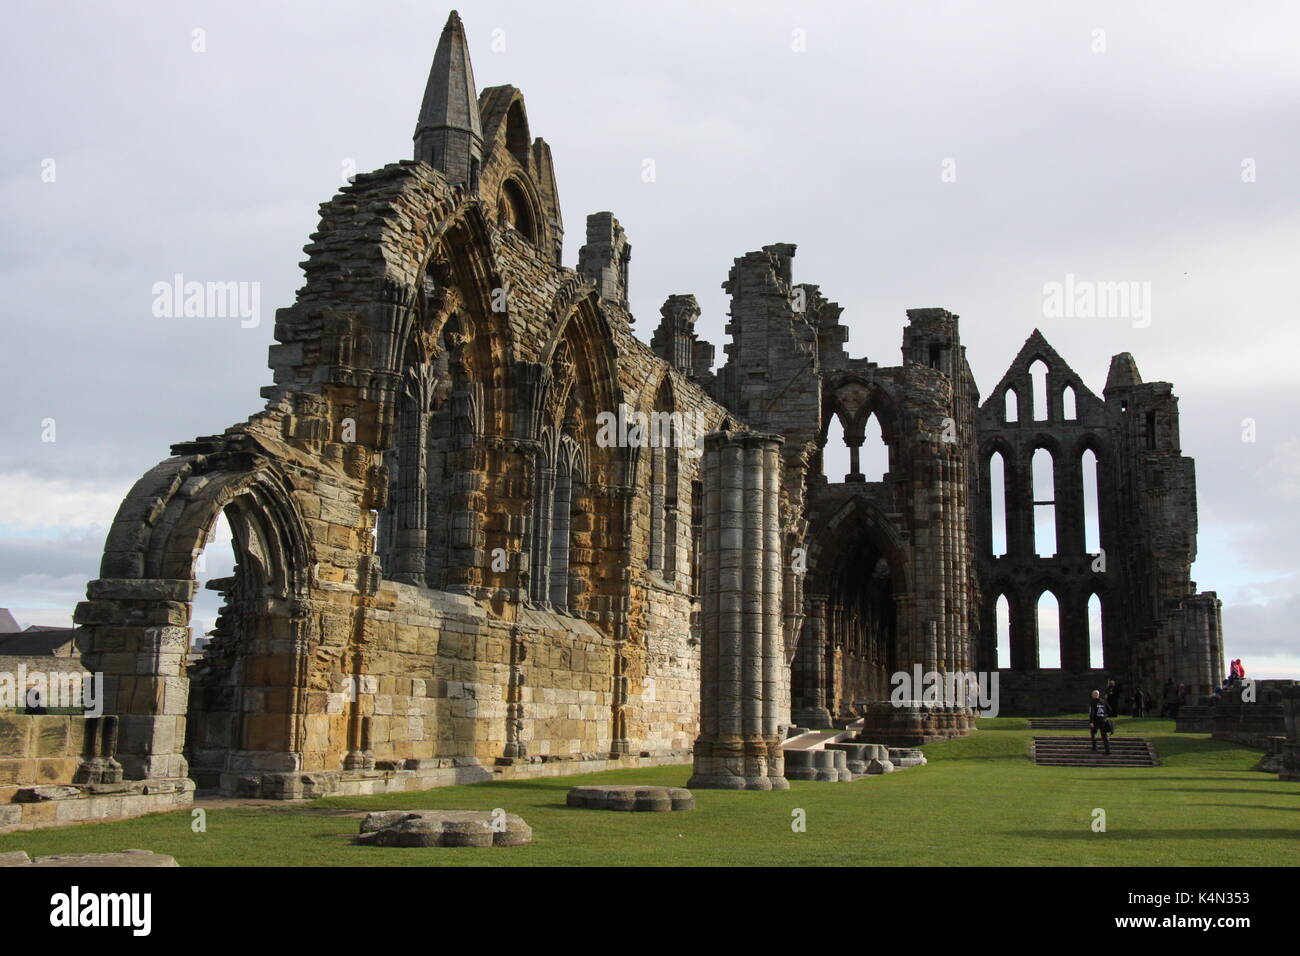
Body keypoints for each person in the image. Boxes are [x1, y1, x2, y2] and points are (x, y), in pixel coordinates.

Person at [1089, 690, 1112, 755]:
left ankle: (1094, 747)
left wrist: (1091, 722)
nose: (1092, 696)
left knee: (1093, 733)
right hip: (1103, 720)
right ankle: (1108, 750)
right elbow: (1110, 709)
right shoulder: (1103, 701)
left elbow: (1092, 712)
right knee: (1104, 735)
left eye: (1092, 694)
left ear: (1093, 695)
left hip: (1096, 720)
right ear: (1098, 695)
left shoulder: (1092, 702)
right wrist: (1105, 716)